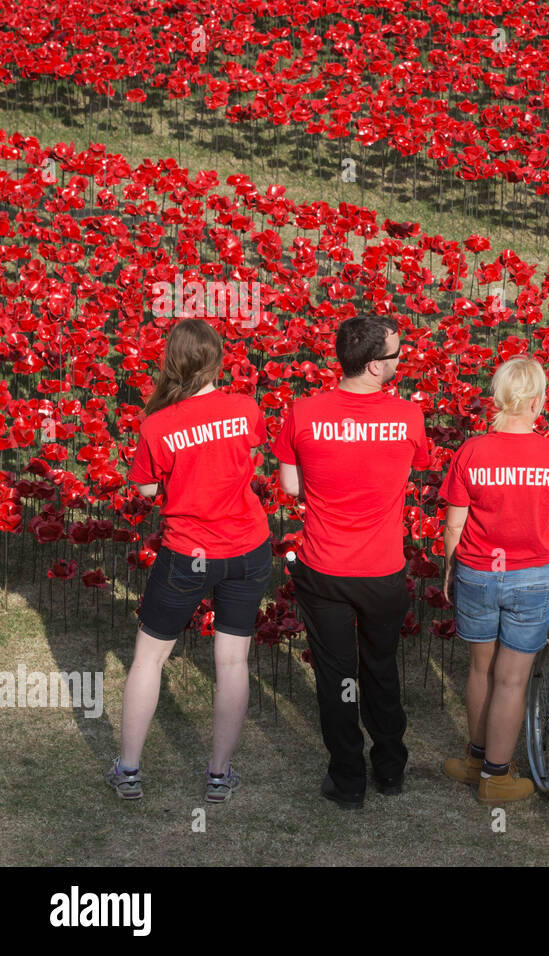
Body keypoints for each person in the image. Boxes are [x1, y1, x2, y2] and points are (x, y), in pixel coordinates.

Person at [109, 318, 271, 804]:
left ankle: (130, 770)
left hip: (187, 552)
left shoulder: (157, 424)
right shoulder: (246, 408)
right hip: (247, 547)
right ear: (219, 359)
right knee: (233, 661)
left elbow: (145, 490)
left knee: (149, 658)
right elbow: (249, 460)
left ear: (171, 362)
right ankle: (218, 776)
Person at [273, 314, 430, 809]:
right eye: (397, 355)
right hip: (382, 569)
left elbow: (291, 486)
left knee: (338, 678)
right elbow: (416, 467)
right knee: (380, 669)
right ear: (374, 367)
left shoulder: (302, 412)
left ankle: (347, 779)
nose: (402, 361)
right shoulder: (407, 417)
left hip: (324, 570)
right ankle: (389, 768)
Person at [439, 357, 549, 804]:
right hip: (532, 578)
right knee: (511, 680)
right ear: (539, 401)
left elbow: (453, 525)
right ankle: (496, 776)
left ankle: (475, 758)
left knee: (480, 669)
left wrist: (451, 565)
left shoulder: (472, 450)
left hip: (478, 573)